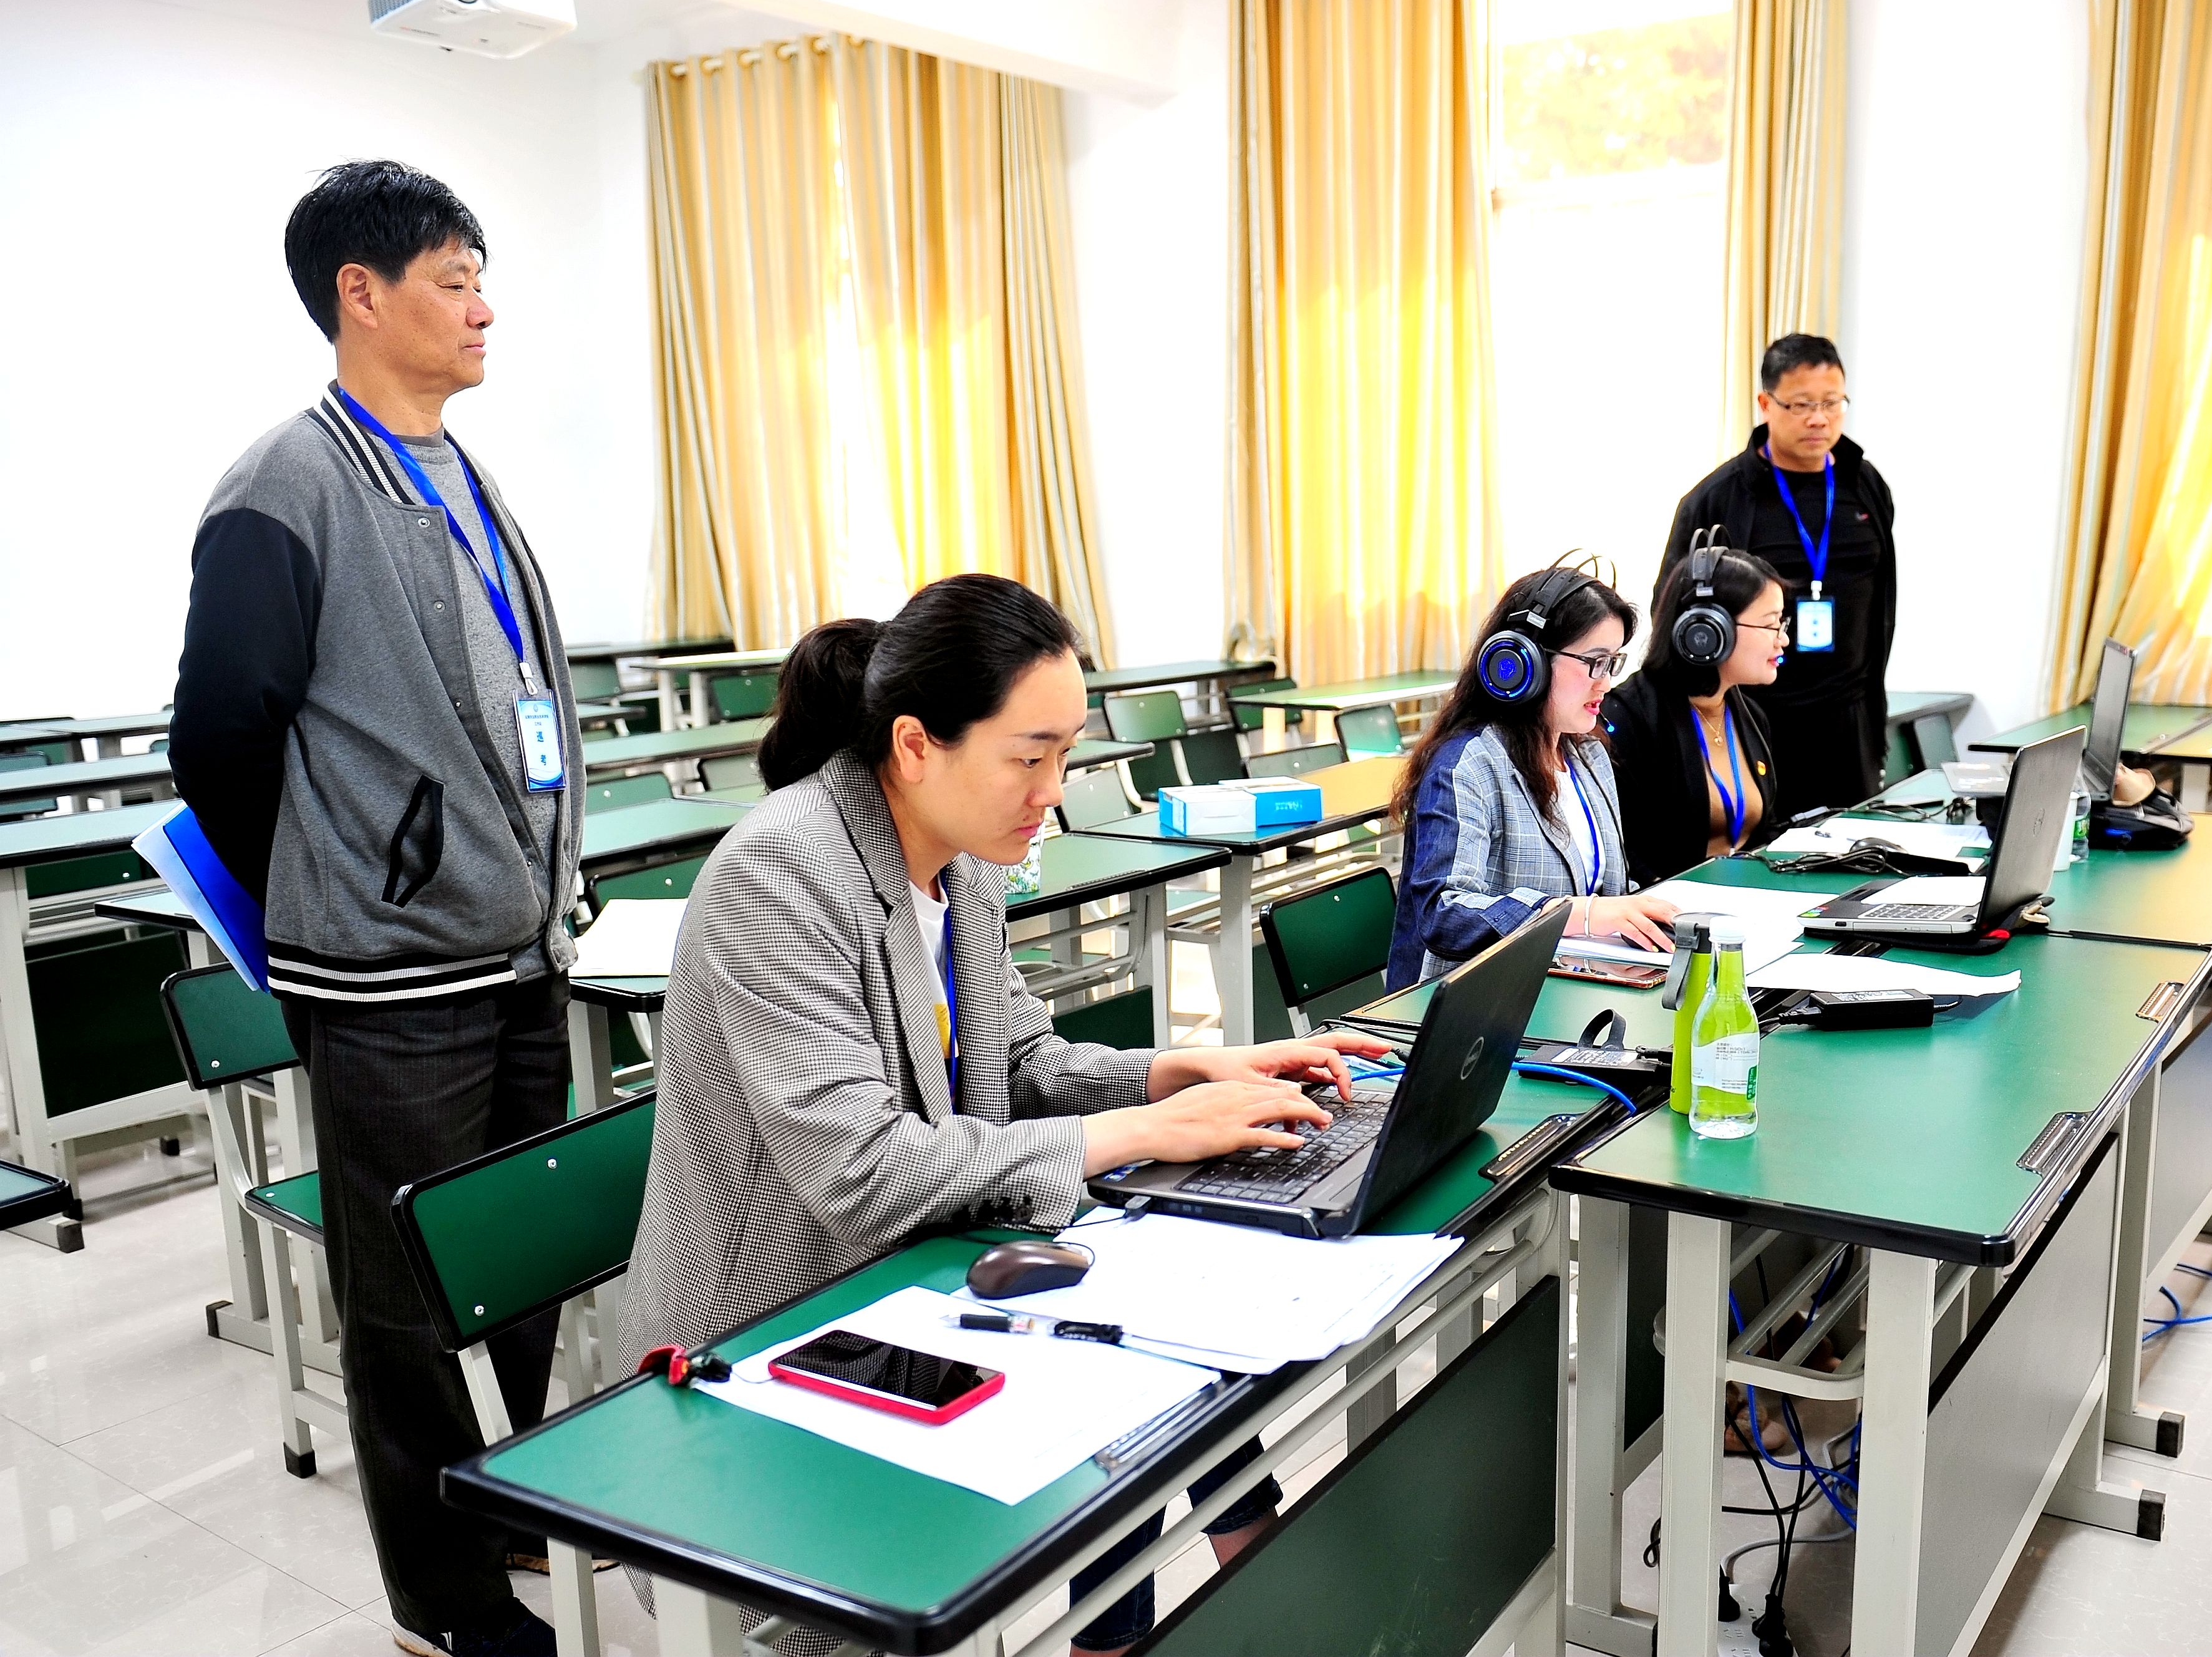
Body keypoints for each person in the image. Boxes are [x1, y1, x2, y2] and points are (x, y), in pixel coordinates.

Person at [619, 573, 1389, 1657]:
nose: (1052, 792)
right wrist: (1140, 1133)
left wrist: (1187, 1070)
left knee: (1163, 1371)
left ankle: (1208, 1621)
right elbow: (860, 1168)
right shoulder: (779, 872)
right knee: (1120, 1379)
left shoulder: (961, 859)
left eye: (1065, 754)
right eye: (1029, 758)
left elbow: (1020, 1060)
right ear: (915, 745)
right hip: (764, 1337)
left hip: (915, 1278)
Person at [169, 162, 580, 1657]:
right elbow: (219, 732)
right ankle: (442, 1601)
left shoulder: (459, 469)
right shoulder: (285, 484)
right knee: (411, 1297)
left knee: (519, 1255)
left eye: (481, 278)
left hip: (514, 945)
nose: (484, 307)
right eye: (455, 278)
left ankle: (506, 1503)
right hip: (392, 975)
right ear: (362, 291)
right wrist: (340, 880)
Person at [1385, 564, 1680, 991]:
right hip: (1478, 1004)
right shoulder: (1468, 765)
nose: (1605, 684)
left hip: (1571, 989)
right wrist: (1578, 915)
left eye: (1612, 663)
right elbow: (1444, 914)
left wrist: (1643, 920)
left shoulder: (1589, 755)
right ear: (1524, 662)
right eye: (1595, 663)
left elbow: (1608, 891)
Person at [1654, 333, 1898, 814]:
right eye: (1801, 404)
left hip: (1850, 725)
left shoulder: (1865, 484)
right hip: (1754, 720)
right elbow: (1672, 617)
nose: (1818, 418)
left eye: (1832, 402)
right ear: (1766, 404)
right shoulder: (1717, 499)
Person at [1603, 545, 1790, 885]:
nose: (1784, 640)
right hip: (1672, 907)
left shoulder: (1750, 716)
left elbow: (1765, 832)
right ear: (1708, 630)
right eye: (1771, 625)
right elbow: (1626, 855)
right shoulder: (1628, 718)